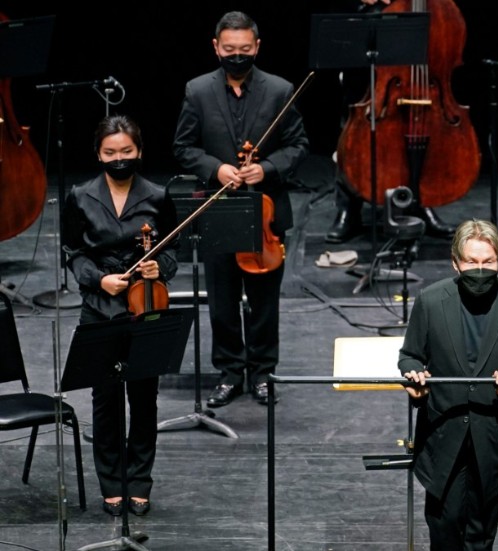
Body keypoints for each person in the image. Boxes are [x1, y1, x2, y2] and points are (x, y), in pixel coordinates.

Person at [173, 10, 309, 407]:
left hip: (265, 210)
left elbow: (299, 146)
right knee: (221, 299)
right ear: (216, 47)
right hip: (217, 209)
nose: (237, 55)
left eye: (244, 49)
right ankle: (230, 372)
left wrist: (264, 169)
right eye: (229, 49)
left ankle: (263, 371)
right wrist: (217, 169)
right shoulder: (197, 91)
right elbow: (183, 147)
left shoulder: (280, 90)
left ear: (257, 47)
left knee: (265, 300)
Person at [62, 114, 178, 517]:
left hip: (145, 305)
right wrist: (98, 280)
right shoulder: (80, 195)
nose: (119, 158)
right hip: (100, 307)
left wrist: (158, 267)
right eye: (110, 152)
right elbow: (73, 253)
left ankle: (140, 480)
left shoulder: (158, 196)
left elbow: (170, 250)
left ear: (139, 151)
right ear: (98, 154)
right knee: (105, 399)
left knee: (145, 398)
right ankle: (112, 483)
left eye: (126, 151)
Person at [399, 219, 498, 550]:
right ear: (455, 262)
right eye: (471, 262)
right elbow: (410, 356)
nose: (479, 269)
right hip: (442, 433)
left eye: (487, 262)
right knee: (443, 528)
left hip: (490, 436)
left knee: (480, 533)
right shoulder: (431, 300)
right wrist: (416, 383)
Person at [324, 0, 455, 243]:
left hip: (416, 74)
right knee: (353, 136)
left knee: (420, 130)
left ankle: (420, 200)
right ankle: (348, 208)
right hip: (368, 63)